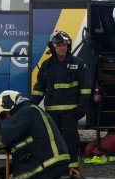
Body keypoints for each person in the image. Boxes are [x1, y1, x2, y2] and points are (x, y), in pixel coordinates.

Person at [32, 31, 91, 171]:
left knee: (71, 141)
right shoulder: (46, 66)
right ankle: (56, 169)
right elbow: (39, 88)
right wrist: (31, 105)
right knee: (53, 142)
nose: (62, 47)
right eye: (58, 45)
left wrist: (83, 107)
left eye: (64, 44)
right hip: (52, 113)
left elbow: (86, 88)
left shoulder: (78, 64)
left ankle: (72, 170)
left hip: (71, 112)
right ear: (52, 47)